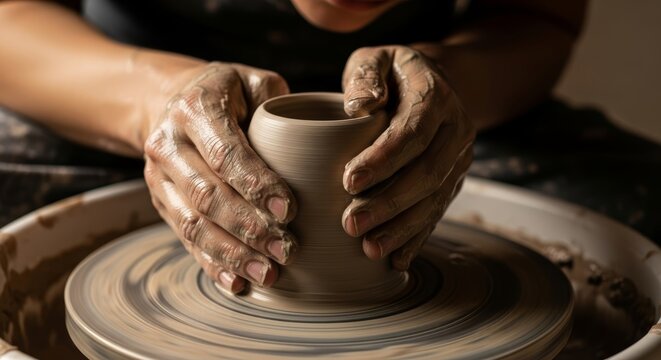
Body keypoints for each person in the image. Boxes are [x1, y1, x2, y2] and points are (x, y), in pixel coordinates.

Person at [1, 0, 659, 294]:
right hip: (106, 87)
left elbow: (535, 17)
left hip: (419, 123)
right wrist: (151, 99)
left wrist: (457, 82)